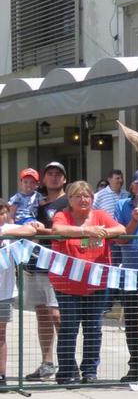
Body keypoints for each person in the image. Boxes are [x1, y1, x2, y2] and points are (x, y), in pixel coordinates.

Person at [48, 181, 124, 384]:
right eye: (77, 196)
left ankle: (90, 372)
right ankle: (65, 373)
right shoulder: (62, 214)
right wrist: (88, 232)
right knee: (69, 328)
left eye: (87, 196)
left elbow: (121, 229)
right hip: (67, 283)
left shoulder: (100, 215)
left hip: (96, 283)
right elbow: (57, 230)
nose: (83, 200)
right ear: (70, 200)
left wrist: (105, 232)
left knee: (93, 328)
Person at [22, 160, 68, 381]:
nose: (54, 177)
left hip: (57, 265)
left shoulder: (69, 202)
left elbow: (67, 231)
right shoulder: (35, 202)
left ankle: (68, 363)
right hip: (34, 263)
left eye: (58, 174)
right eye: (50, 173)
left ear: (64, 179)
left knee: (56, 314)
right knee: (42, 314)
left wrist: (44, 230)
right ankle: (47, 363)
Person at [113, 170, 138, 384]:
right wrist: (134, 221)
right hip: (132, 274)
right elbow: (120, 240)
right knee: (134, 324)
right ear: (133, 187)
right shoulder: (122, 206)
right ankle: (136, 366)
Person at [0, 203, 38, 385]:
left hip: (4, 292)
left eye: (2, 213)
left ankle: (1, 375)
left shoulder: (8, 228)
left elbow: (31, 230)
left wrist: (5, 234)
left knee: (0, 335)